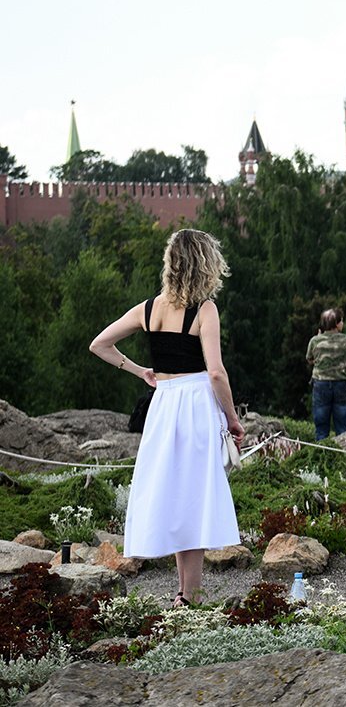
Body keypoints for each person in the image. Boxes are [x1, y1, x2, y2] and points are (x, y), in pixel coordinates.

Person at [88, 228, 243, 607]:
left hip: (164, 405)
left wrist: (138, 369)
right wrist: (234, 418)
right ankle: (188, 595)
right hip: (195, 403)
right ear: (205, 264)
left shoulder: (149, 308)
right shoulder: (205, 309)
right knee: (195, 496)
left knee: (175, 496)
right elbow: (217, 372)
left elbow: (100, 344)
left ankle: (184, 594)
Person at [306, 308, 346, 440]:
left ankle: (321, 454)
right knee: (342, 427)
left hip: (321, 384)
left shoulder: (315, 341)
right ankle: (343, 455)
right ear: (338, 324)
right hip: (342, 384)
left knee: (321, 428)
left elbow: (310, 359)